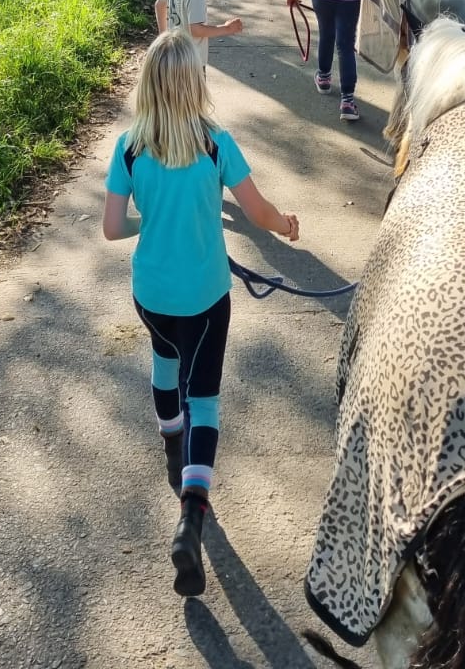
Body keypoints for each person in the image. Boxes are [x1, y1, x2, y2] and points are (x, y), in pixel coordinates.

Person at [103, 30, 299, 598]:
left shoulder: (128, 147)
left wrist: (153, 225)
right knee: (204, 398)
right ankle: (191, 518)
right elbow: (257, 212)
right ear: (195, 84)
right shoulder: (216, 144)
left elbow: (113, 228)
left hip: (153, 298)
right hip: (208, 299)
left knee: (166, 361)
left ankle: (171, 444)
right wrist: (283, 222)